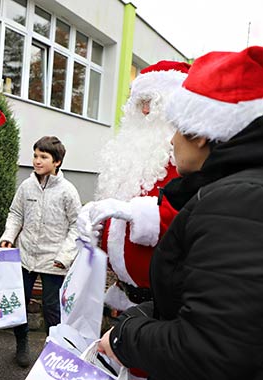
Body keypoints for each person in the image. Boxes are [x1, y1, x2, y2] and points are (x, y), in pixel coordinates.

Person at [97, 46, 263, 380]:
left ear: (200, 133)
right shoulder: (233, 190)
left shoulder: (234, 202)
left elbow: (212, 348)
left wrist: (123, 336)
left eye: (177, 126)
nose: (172, 139)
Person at [77, 61, 191, 316]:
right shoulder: (127, 156)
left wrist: (138, 214)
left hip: (163, 301)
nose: (147, 110)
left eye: (154, 102)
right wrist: (94, 223)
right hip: (124, 294)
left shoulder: (184, 159)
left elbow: (188, 216)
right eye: (141, 103)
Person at [0, 135, 82, 368]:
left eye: (43, 157)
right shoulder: (26, 186)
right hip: (25, 257)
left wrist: (64, 256)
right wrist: (8, 237)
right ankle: (22, 343)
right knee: (20, 304)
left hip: (53, 261)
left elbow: (77, 225)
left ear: (56, 162)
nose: (37, 160)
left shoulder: (68, 191)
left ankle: (53, 349)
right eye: (35, 155)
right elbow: (16, 214)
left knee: (52, 309)